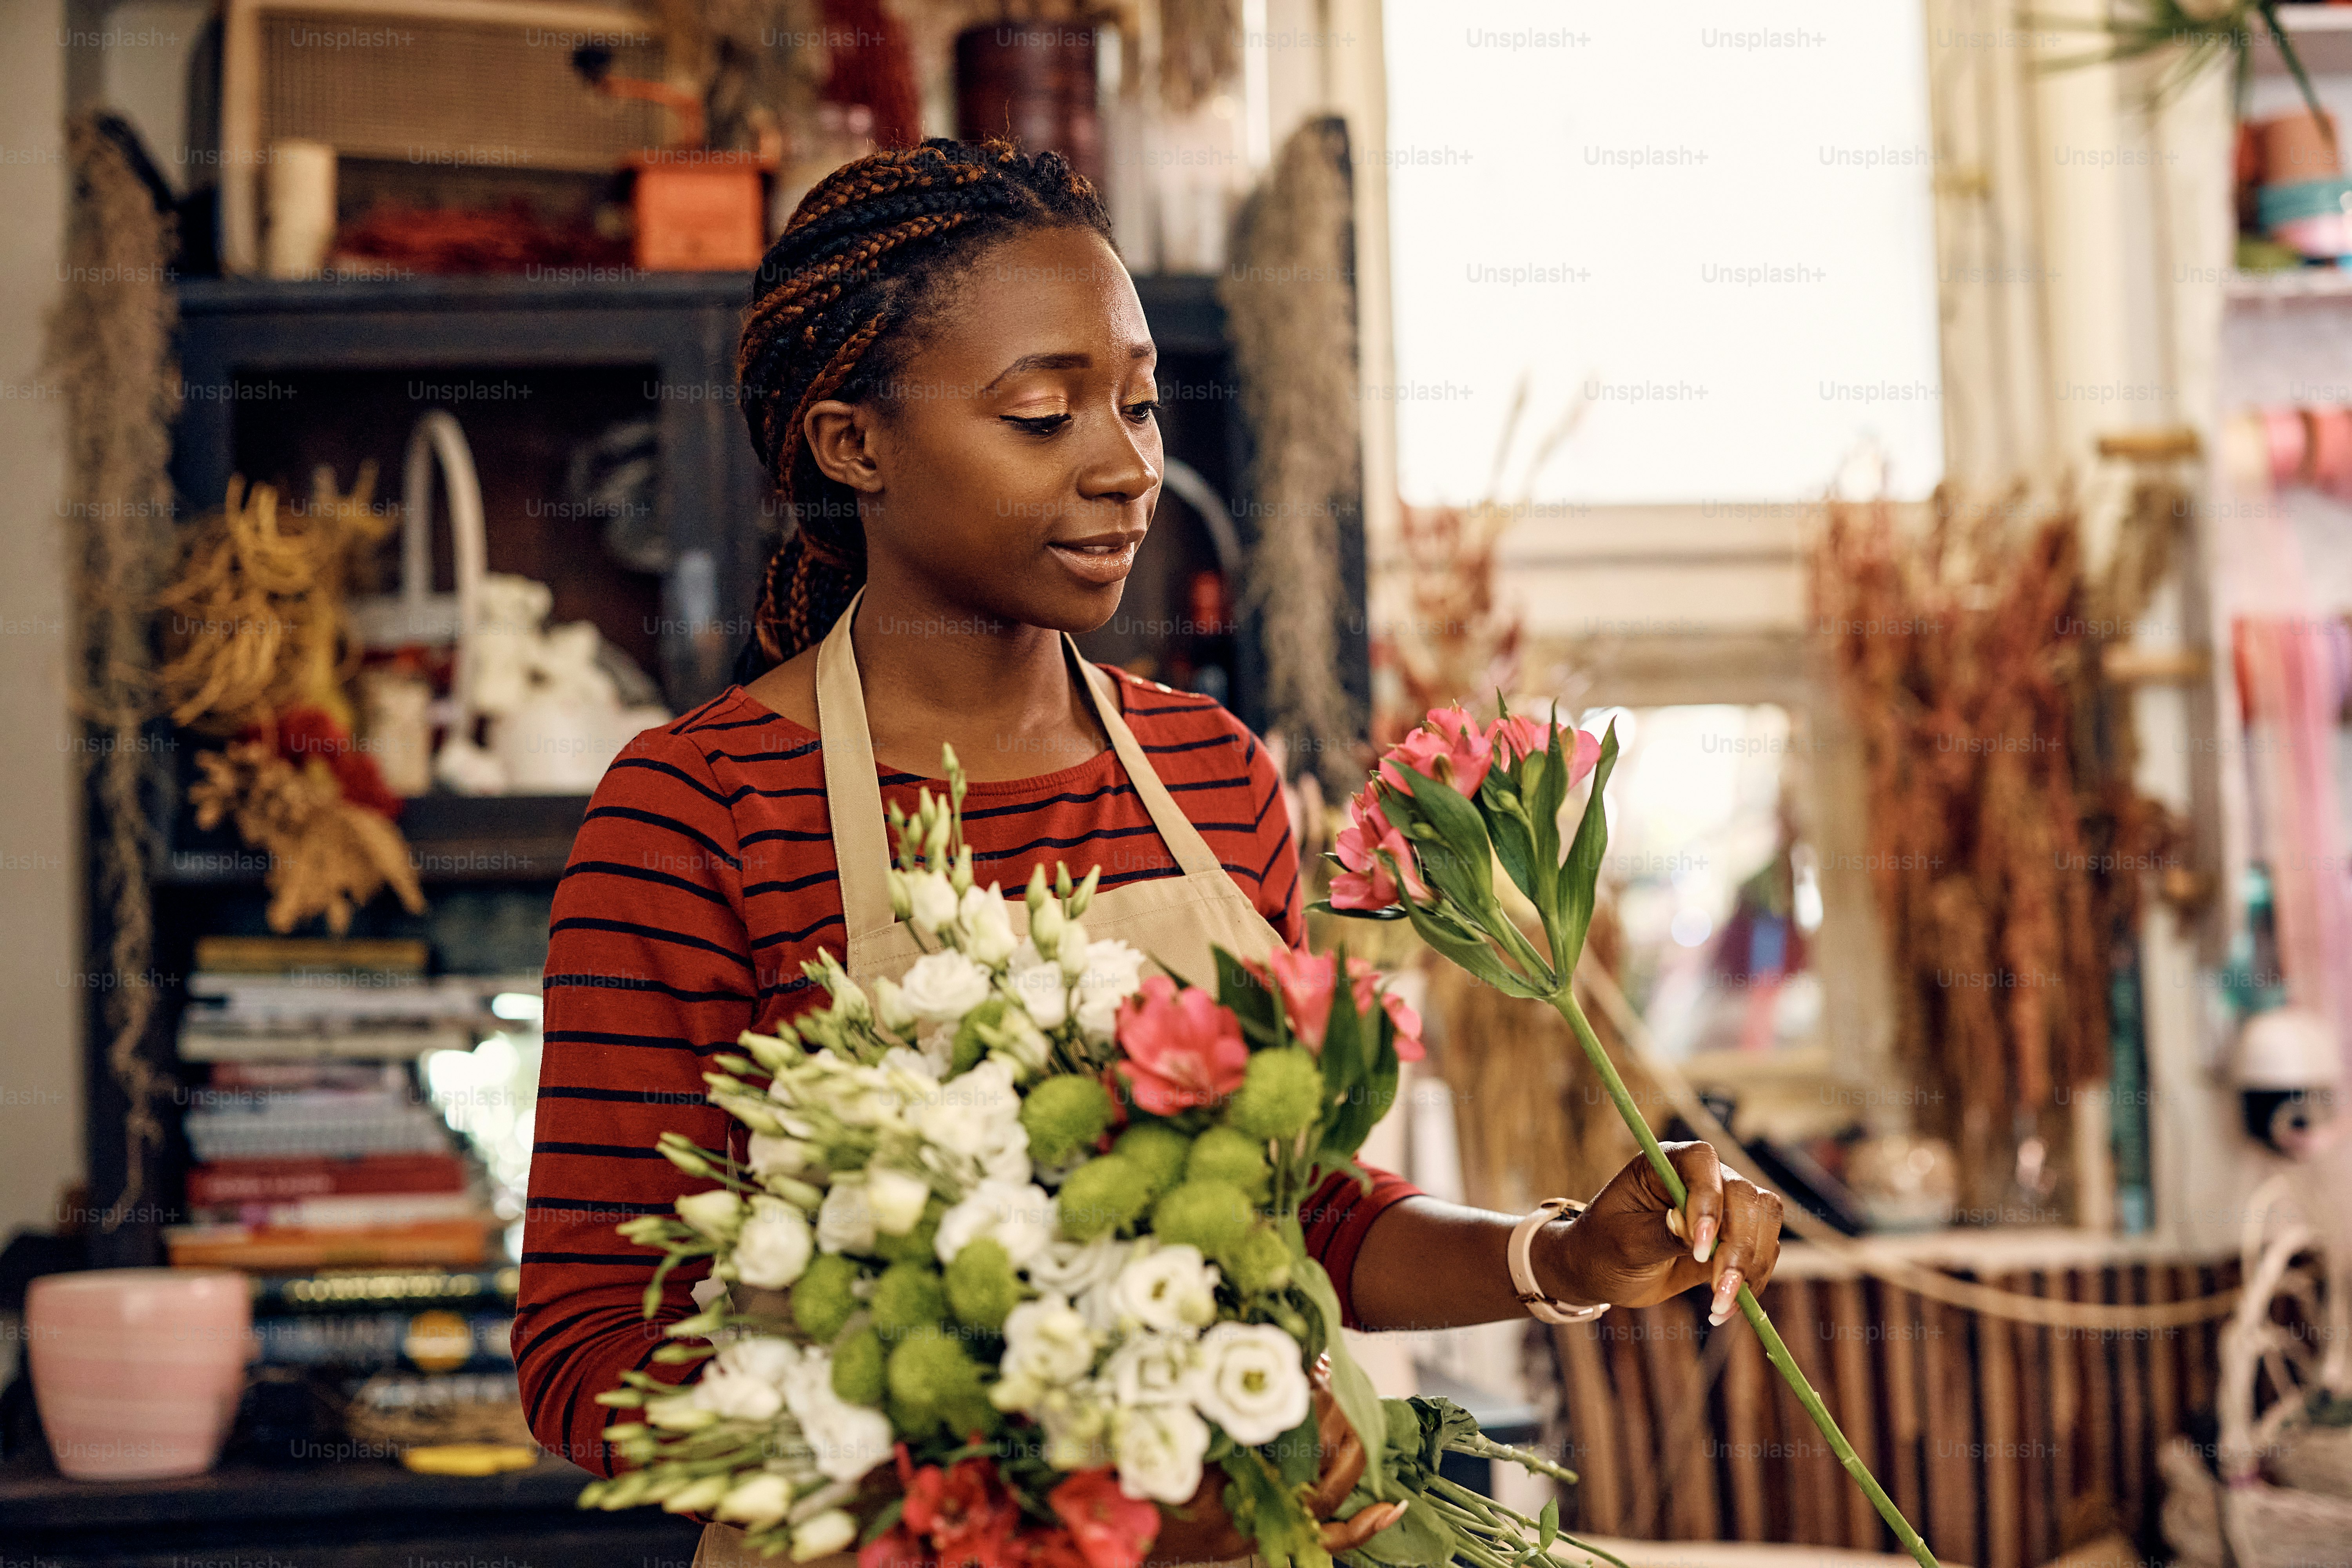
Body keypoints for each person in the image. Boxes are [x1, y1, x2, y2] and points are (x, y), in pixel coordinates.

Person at [514, 138, 1785, 1568]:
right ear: (851, 445)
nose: (1128, 470)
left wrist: (1561, 1258)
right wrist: (1075, 1472)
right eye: (1044, 417)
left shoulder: (1212, 773)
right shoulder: (700, 810)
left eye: (1136, 405)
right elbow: (586, 1354)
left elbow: (1300, 1215)